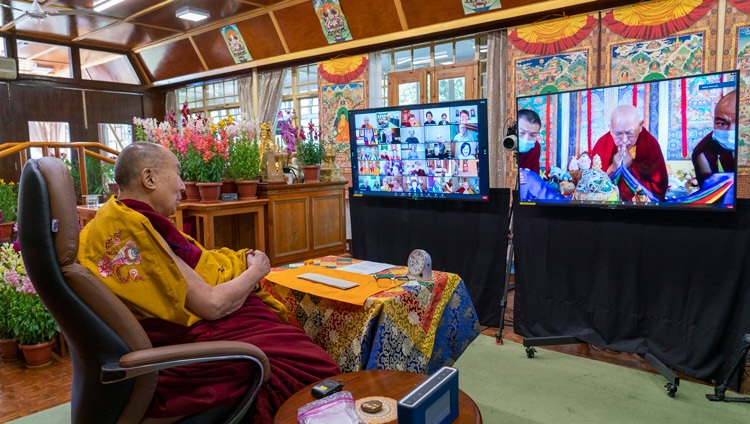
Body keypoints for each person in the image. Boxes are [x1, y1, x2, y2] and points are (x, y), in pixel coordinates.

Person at [77, 142, 341, 423]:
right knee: (314, 365)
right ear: (149, 178)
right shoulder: (133, 230)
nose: (182, 186)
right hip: (179, 354)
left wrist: (232, 264)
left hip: (159, 342)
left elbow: (186, 274)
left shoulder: (109, 223)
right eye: (178, 174)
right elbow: (212, 305)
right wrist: (255, 270)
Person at [591, 104, 668, 201]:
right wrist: (613, 168)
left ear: (640, 126)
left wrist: (630, 169)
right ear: (610, 128)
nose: (624, 140)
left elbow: (658, 189)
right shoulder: (602, 144)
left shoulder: (650, 145)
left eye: (629, 133)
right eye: (618, 134)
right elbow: (591, 187)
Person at [692, 90, 737, 187]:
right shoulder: (703, 152)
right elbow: (711, 194)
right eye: (722, 124)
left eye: (740, 123)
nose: (730, 131)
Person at [517, 109, 542, 175]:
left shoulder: (536, 147)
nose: (526, 139)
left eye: (532, 135)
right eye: (522, 133)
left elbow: (534, 175)